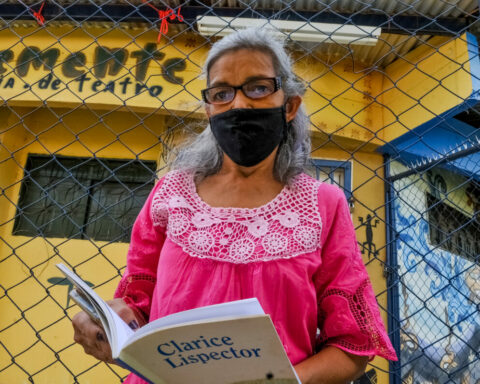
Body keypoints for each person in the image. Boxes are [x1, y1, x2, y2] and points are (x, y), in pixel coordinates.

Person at [72, 28, 397, 383]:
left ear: (289, 106)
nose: (240, 104)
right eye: (222, 93)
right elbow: (136, 304)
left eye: (258, 88)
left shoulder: (323, 205)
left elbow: (352, 347)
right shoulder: (169, 193)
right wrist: (104, 319)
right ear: (210, 108)